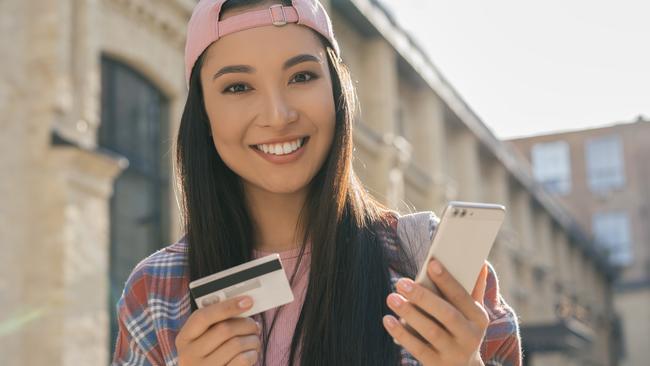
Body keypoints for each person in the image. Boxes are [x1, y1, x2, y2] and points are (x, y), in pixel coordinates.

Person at [112, 0, 522, 365]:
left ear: (338, 92)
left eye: (302, 77)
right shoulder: (157, 292)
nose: (277, 115)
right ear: (202, 113)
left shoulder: (431, 265)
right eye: (238, 87)